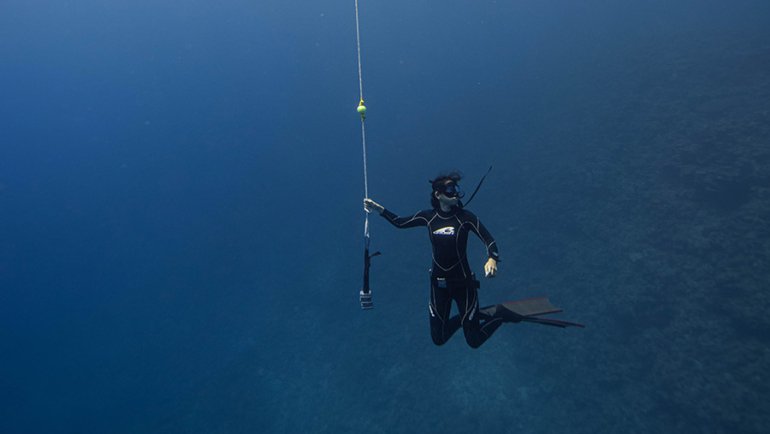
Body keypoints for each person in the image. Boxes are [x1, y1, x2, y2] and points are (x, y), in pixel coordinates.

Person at [364, 171, 517, 348]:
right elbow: (400, 222)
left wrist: (492, 259)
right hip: (439, 287)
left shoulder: (466, 217)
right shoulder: (428, 217)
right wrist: (377, 208)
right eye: (451, 189)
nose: (456, 193)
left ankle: (499, 315)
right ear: (438, 195)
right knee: (439, 338)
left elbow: (489, 240)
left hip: (464, 285)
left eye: (456, 188)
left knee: (473, 341)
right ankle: (466, 317)